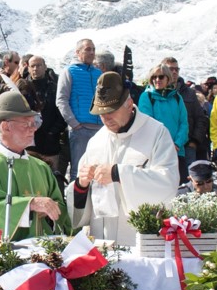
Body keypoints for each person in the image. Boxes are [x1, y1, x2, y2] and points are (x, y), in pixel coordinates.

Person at [69, 72, 178, 243]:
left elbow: (167, 183)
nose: (105, 118)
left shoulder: (156, 133)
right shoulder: (96, 141)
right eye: (101, 113)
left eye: (111, 111)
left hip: (140, 240)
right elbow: (80, 202)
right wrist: (82, 184)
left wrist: (118, 173)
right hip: (102, 240)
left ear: (129, 104)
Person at [0, 91, 67, 243]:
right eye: (27, 124)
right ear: (5, 127)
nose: (34, 128)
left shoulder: (41, 167)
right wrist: (31, 205)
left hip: (43, 257)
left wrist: (53, 210)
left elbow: (61, 212)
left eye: (35, 122)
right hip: (1, 260)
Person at [55, 38, 103, 184]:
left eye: (93, 49)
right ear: (77, 52)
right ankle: (76, 204)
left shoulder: (99, 73)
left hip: (100, 129)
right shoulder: (69, 72)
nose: (92, 52)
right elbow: (61, 100)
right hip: (80, 129)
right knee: (78, 169)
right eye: (88, 49)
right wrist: (74, 123)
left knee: (98, 170)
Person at [137, 63, 189, 181]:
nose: (157, 80)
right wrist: (165, 146)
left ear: (168, 78)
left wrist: (176, 144)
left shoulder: (177, 97)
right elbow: (147, 123)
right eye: (154, 77)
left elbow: (183, 123)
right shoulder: (146, 97)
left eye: (161, 77)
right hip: (157, 152)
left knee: (182, 189)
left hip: (177, 151)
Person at [19, 55, 64, 173]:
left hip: (51, 144)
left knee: (51, 178)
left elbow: (62, 112)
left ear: (45, 67)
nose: (35, 69)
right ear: (27, 68)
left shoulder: (55, 87)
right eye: (32, 66)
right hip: (29, 143)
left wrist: (53, 132)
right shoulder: (22, 87)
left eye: (38, 65)